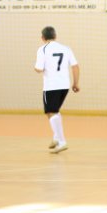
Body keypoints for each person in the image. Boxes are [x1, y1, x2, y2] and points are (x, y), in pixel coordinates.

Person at [34, 26, 79, 154]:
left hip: (51, 86)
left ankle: (62, 141)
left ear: (42, 38)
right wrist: (76, 83)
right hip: (64, 85)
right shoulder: (66, 48)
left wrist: (37, 68)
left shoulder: (42, 49)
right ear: (55, 36)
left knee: (51, 112)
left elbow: (39, 68)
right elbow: (75, 66)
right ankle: (56, 137)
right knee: (53, 111)